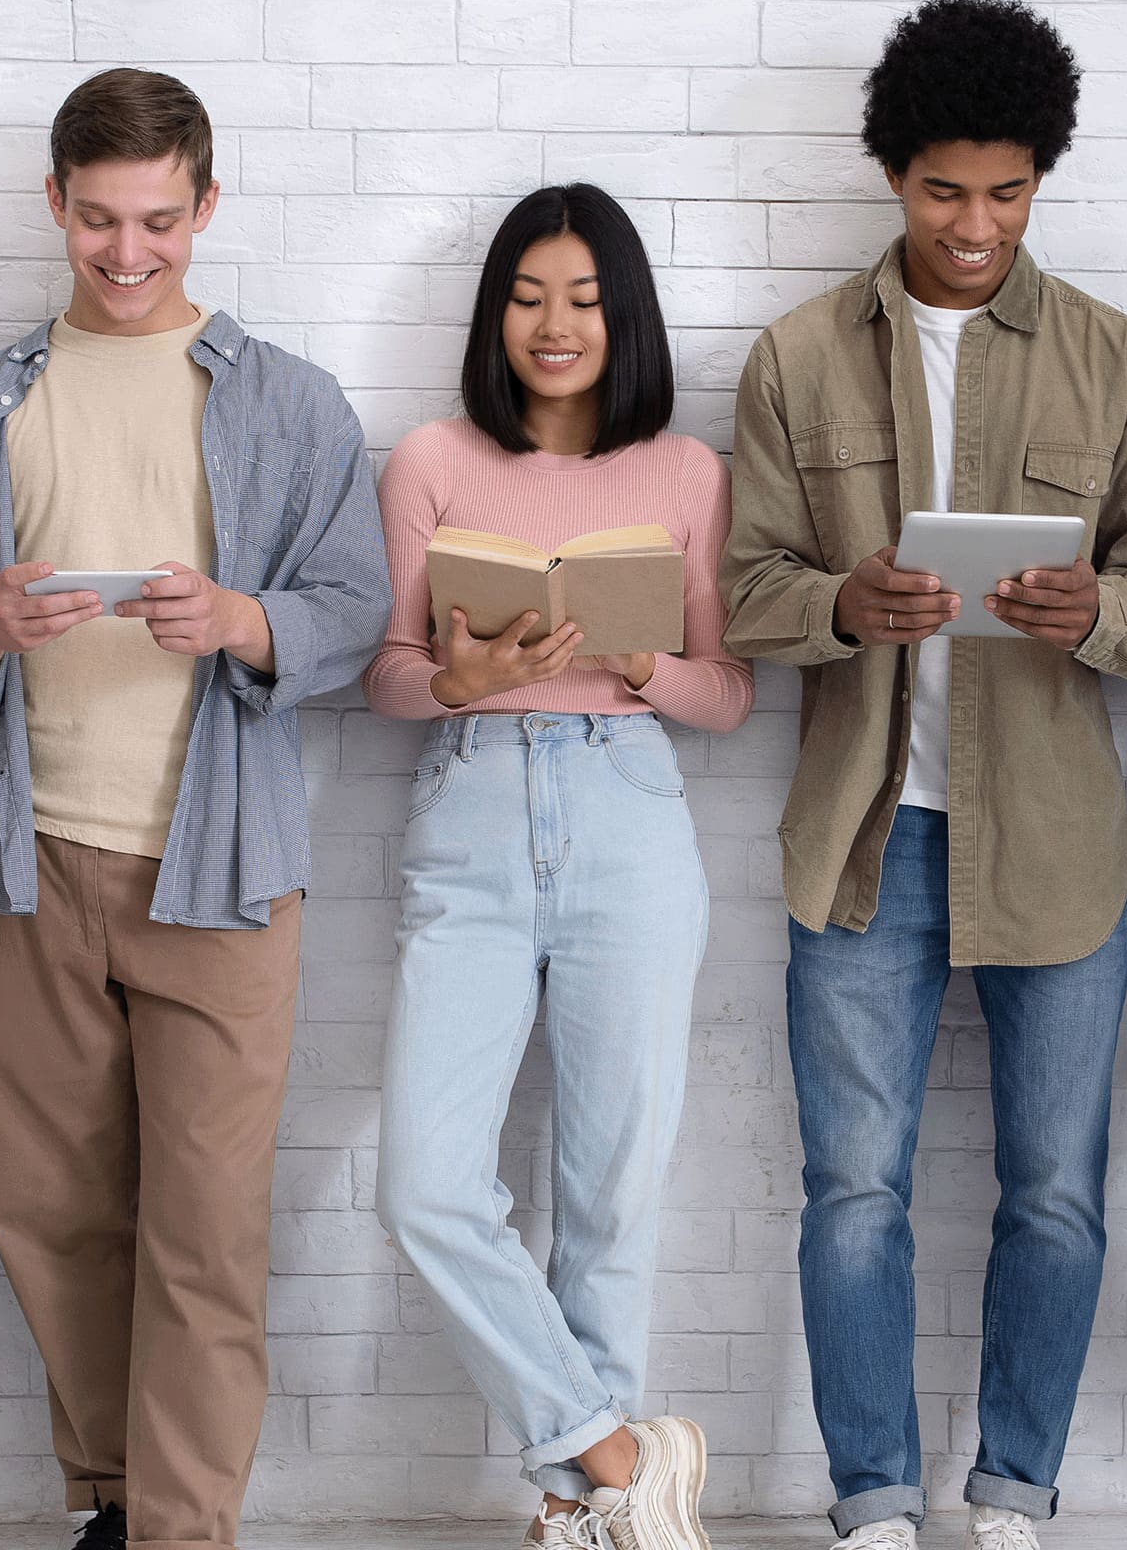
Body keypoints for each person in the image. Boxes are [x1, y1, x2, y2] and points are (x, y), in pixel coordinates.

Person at [719, 0, 1127, 1550]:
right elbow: (741, 591)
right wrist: (840, 606)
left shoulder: (1114, 358)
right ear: (893, 176)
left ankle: (1013, 1494)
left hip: (1057, 849)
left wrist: (1106, 612)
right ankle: (871, 1498)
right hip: (866, 846)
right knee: (853, 1191)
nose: (977, 224)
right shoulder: (800, 358)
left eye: (1008, 192)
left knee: (1056, 1196)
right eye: (947, 190)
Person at [0, 69, 392, 1550]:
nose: (126, 252)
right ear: (55, 204)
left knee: (207, 1230)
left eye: (159, 220)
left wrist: (241, 619)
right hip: (31, 857)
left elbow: (356, 608)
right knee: (51, 1213)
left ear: (206, 206)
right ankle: (107, 1498)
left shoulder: (289, 401)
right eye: (98, 219)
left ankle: (182, 1530)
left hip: (222, 872)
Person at [364, 183, 754, 1550]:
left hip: (631, 809)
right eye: (528, 296)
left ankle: (574, 1513)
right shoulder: (430, 459)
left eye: (584, 299)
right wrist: (458, 676)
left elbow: (726, 696)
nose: (554, 323)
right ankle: (618, 1449)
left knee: (610, 1189)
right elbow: (390, 680)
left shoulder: (687, 475)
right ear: (495, 313)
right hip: (469, 811)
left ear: (626, 315)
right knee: (424, 1184)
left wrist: (641, 660)